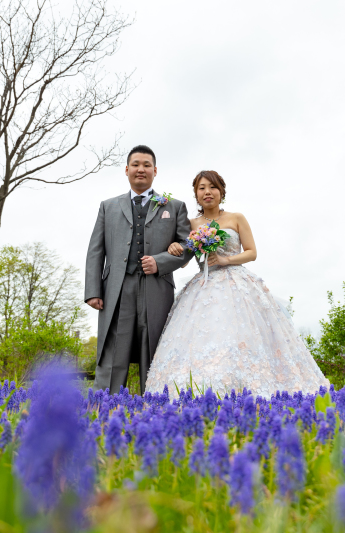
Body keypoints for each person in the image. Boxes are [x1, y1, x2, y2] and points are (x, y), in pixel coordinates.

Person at [144, 170, 329, 396]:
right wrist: (175, 248)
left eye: (212, 187)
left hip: (237, 283)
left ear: (221, 191)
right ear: (196, 194)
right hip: (203, 283)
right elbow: (183, 261)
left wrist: (225, 259)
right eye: (201, 188)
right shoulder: (191, 223)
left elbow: (252, 253)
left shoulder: (236, 218)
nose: (207, 192)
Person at [84, 145, 192, 394]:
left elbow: (189, 246)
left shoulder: (174, 207)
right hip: (116, 290)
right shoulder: (108, 206)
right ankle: (105, 411)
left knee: (153, 349)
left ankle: (155, 408)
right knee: (113, 351)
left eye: (146, 165)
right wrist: (93, 290)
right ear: (126, 170)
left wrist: (161, 261)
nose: (140, 169)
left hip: (157, 288)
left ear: (155, 171)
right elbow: (95, 250)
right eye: (136, 164)